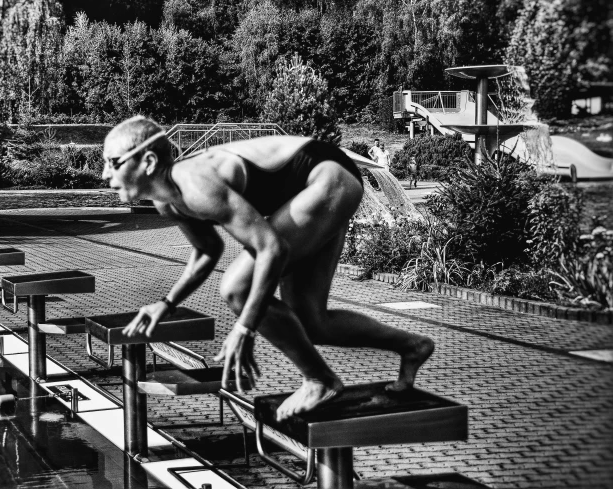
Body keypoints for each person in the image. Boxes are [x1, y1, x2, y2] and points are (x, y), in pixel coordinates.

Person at [106, 116, 434, 421]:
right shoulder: (168, 202)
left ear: (148, 162)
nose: (106, 174)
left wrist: (245, 328)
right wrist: (166, 304)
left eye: (113, 163)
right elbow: (208, 250)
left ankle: (319, 380)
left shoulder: (196, 185)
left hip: (326, 175)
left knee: (236, 287)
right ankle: (412, 346)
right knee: (311, 323)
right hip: (316, 185)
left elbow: (271, 249)